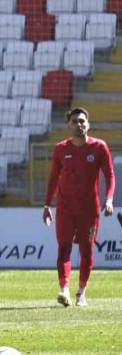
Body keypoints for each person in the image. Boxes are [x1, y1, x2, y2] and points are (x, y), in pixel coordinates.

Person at [43, 107, 115, 307]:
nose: (79, 124)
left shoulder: (99, 147)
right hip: (65, 209)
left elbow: (110, 175)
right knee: (63, 248)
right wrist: (47, 204)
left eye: (82, 121)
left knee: (87, 251)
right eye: (74, 121)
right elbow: (53, 179)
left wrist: (109, 199)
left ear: (88, 124)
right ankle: (64, 289)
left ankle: (81, 293)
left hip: (90, 211)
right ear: (69, 125)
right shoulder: (61, 149)